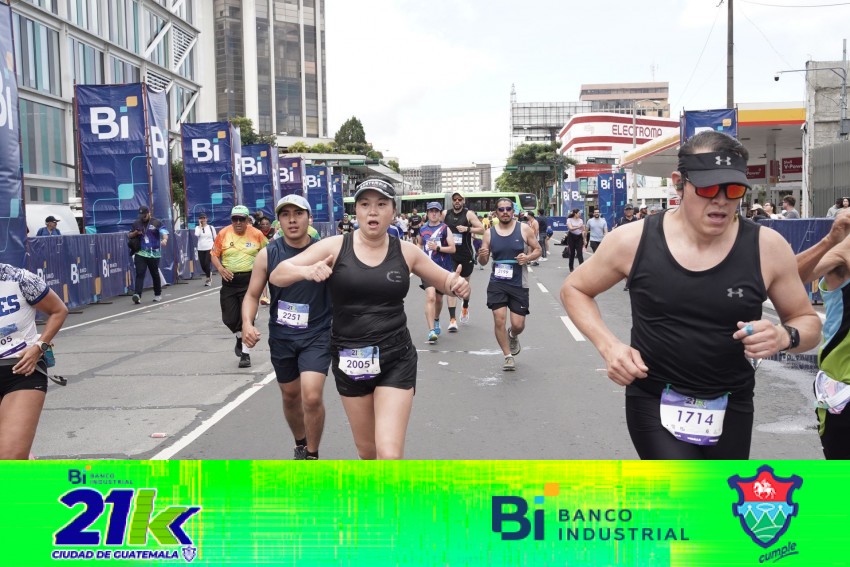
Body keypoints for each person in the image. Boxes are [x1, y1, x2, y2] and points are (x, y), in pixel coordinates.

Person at [560, 130, 821, 460]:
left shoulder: (767, 247)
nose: (721, 200)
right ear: (678, 184)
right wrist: (609, 346)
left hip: (732, 402)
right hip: (655, 398)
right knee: (686, 487)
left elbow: (807, 322)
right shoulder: (632, 241)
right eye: (708, 187)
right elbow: (575, 289)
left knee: (719, 493)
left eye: (733, 189)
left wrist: (785, 336)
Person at [268, 178, 469, 460]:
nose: (372, 211)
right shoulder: (334, 246)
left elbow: (445, 280)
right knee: (368, 452)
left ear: (393, 211)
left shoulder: (406, 251)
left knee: (389, 454)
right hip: (350, 359)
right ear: (356, 212)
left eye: (381, 204)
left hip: (395, 359)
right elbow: (278, 274)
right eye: (365, 204)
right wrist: (306, 271)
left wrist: (457, 284)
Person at [242, 195, 330, 460]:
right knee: (291, 395)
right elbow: (252, 295)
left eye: (298, 213)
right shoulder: (267, 254)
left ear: (309, 218)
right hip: (282, 336)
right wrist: (247, 323)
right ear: (278, 221)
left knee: (311, 396)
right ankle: (301, 444)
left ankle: (312, 456)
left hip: (317, 334)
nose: (292, 220)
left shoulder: (325, 252)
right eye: (285, 214)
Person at [795, 210, 850, 459]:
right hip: (845, 391)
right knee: (842, 478)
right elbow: (787, 277)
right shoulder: (844, 252)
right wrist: (831, 241)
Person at [0, 263, 68, 459]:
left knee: (9, 460)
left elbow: (58, 310)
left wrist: (39, 346)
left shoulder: (20, 278)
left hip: (21, 371)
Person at [477, 196, 542, 371]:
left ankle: (512, 335)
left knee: (518, 324)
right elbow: (483, 261)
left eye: (508, 209)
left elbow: (538, 249)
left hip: (518, 282)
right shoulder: (489, 233)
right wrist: (482, 255)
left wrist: (527, 257)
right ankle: (507, 356)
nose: (505, 212)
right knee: (499, 319)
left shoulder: (524, 229)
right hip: (497, 282)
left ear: (513, 211)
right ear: (496, 212)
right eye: (501, 209)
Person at [211, 205, 268, 368]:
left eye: (241, 219)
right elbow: (213, 254)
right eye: (234, 219)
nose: (238, 222)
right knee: (229, 318)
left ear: (248, 220)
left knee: (247, 319)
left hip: (249, 281)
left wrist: (265, 274)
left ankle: (245, 354)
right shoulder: (223, 233)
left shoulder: (256, 234)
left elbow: (267, 252)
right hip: (229, 281)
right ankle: (239, 336)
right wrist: (220, 269)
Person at [441, 192, 484, 328]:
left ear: (463, 201)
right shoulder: (445, 214)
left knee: (464, 286)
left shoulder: (468, 214)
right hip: (450, 255)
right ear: (452, 201)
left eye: (460, 199)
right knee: (452, 285)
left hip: (465, 255)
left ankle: (465, 306)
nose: (457, 201)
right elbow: (437, 227)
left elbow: (482, 230)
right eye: (455, 199)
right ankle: (452, 320)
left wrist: (467, 229)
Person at [419, 201, 456, 343]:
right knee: (430, 297)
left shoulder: (445, 229)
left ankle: (436, 319)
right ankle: (431, 331)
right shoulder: (422, 229)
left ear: (440, 214)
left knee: (439, 299)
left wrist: (438, 248)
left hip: (442, 269)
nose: (433, 214)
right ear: (427, 213)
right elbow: (419, 245)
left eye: (436, 211)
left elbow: (452, 248)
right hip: (427, 269)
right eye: (431, 211)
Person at [129, 206, 168, 304]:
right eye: (141, 215)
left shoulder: (156, 222)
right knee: (140, 273)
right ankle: (137, 295)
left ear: (149, 213)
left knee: (154, 273)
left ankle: (158, 294)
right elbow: (129, 235)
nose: (143, 217)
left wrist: (164, 239)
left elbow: (164, 232)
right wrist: (135, 233)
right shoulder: (136, 223)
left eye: (144, 215)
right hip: (141, 252)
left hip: (154, 253)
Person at [194, 213, 216, 286]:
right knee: (202, 265)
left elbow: (215, 237)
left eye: (204, 218)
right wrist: (200, 226)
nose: (203, 220)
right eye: (201, 218)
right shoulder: (197, 228)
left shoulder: (211, 227)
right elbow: (197, 234)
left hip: (209, 247)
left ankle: (208, 279)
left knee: (207, 263)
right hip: (201, 248)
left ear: (206, 219)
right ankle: (209, 273)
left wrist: (215, 246)